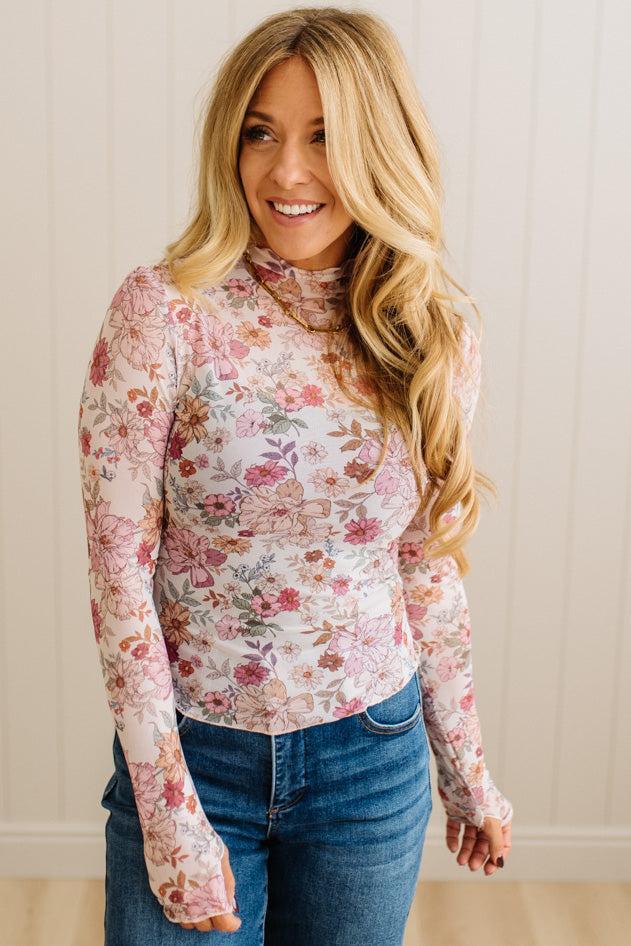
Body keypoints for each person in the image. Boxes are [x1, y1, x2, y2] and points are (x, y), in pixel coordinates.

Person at [77, 7, 513, 945]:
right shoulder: (164, 313)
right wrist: (169, 814)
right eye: (260, 134)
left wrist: (465, 767)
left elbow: (424, 565)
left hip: (371, 761)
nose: (286, 172)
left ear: (378, 146)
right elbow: (119, 581)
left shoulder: (433, 330)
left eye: (324, 137)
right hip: (199, 761)